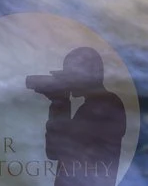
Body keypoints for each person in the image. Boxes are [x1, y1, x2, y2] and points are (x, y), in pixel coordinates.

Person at [29, 45, 128, 185]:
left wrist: (60, 103)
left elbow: (58, 149)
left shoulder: (106, 105)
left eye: (72, 76)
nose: (68, 81)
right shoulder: (95, 106)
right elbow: (53, 151)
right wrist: (59, 102)